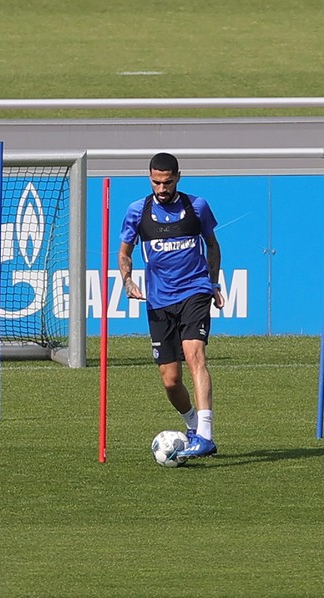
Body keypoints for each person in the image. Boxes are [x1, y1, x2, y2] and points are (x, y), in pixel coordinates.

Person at [118, 152, 224, 458]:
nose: (161, 188)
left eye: (167, 182)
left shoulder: (197, 206)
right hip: (159, 302)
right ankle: (192, 424)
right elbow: (124, 253)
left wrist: (214, 284)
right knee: (170, 380)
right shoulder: (138, 211)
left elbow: (213, 246)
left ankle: (205, 435)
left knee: (195, 355)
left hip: (195, 290)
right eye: (156, 182)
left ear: (178, 177)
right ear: (149, 178)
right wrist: (127, 281)